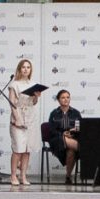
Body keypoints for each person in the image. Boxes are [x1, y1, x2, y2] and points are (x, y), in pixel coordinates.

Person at [5, 58, 39, 189]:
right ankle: (13, 175)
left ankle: (23, 175)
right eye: (23, 67)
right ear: (19, 69)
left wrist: (36, 96)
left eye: (28, 67)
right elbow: (12, 103)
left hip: (30, 117)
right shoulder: (14, 84)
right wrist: (17, 118)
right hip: (18, 116)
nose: (26, 69)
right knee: (18, 149)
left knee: (27, 150)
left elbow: (33, 102)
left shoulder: (33, 84)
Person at [42, 86, 82, 179]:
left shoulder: (76, 113)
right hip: (57, 139)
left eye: (68, 97)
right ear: (58, 100)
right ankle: (85, 150)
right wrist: (63, 134)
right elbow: (51, 130)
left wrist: (74, 131)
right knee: (63, 139)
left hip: (73, 137)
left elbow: (81, 128)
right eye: (63, 97)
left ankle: (68, 176)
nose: (66, 99)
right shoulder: (54, 113)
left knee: (71, 151)